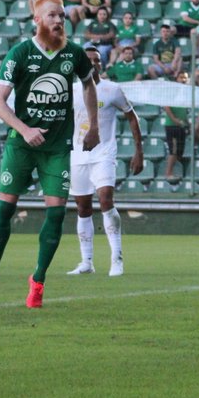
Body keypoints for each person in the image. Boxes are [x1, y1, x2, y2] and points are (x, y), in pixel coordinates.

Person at [0, 0, 97, 309]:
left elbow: (89, 85)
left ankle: (38, 280)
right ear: (38, 20)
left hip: (57, 146)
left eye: (62, 15)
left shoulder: (74, 53)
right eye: (53, 16)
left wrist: (93, 126)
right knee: (5, 209)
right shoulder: (20, 54)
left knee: (56, 214)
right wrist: (25, 129)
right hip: (22, 144)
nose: (59, 21)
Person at [67, 47, 143, 277]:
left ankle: (116, 258)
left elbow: (132, 117)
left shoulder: (112, 89)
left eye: (97, 60)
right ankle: (86, 261)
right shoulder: (71, 91)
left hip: (104, 154)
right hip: (78, 155)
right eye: (88, 60)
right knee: (82, 207)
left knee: (105, 199)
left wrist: (138, 151)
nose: (93, 64)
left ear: (101, 64)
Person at [162, 90, 189, 184]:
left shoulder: (184, 97)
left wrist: (187, 123)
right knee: (173, 150)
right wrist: (174, 119)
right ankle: (168, 173)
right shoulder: (172, 94)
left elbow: (184, 112)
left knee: (179, 151)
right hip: (172, 126)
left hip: (181, 126)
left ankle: (176, 172)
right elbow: (166, 107)